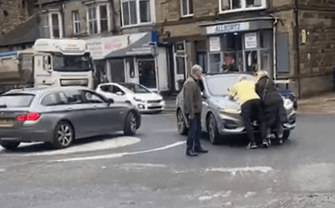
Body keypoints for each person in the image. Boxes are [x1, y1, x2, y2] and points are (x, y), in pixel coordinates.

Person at [229, 75, 268, 149]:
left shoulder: (237, 85)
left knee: (247, 122)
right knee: (261, 120)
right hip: (256, 100)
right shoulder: (252, 83)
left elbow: (231, 96)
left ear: (240, 80)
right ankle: (264, 140)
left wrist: (235, 95)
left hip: (245, 103)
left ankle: (252, 142)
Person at [183, 64, 208, 156]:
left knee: (198, 130)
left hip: (197, 110)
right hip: (192, 111)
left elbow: (201, 90)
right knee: (192, 131)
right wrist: (191, 113)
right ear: (197, 72)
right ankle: (189, 149)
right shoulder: (190, 83)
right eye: (200, 73)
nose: (201, 74)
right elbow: (189, 99)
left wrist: (201, 81)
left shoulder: (195, 81)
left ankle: (197, 146)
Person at [255, 70, 284, 142]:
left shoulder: (258, 84)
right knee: (278, 119)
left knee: (267, 120)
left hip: (268, 102)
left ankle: (267, 137)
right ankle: (280, 137)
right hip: (278, 101)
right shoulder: (270, 81)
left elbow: (258, 94)